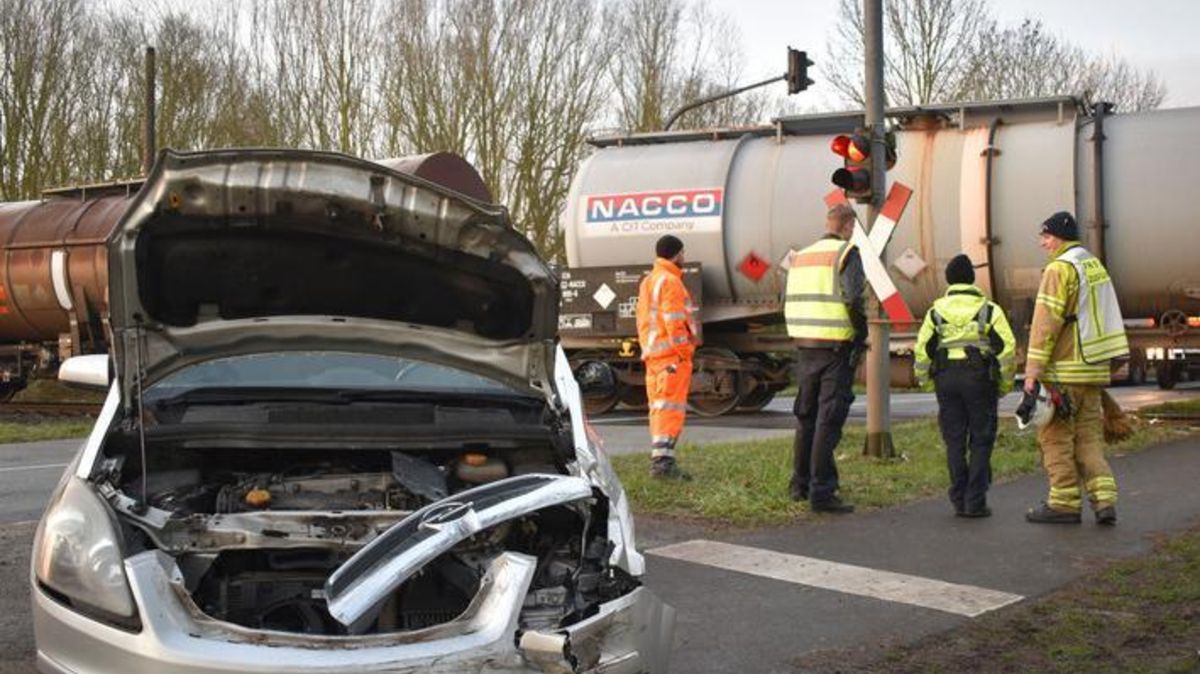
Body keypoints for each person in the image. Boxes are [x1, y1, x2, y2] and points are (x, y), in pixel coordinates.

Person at [1023, 211, 1128, 525]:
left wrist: (1032, 372)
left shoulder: (1060, 268)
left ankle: (1063, 503)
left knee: (1055, 439)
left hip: (1064, 374)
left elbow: (1046, 324)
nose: (1042, 243)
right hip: (1092, 373)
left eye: (1046, 237)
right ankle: (1105, 501)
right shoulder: (1093, 265)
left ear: (1059, 237)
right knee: (1089, 441)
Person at [914, 254, 1016, 518]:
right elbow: (1006, 349)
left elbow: (923, 351)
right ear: (972, 280)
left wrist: (927, 382)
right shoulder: (989, 310)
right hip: (980, 378)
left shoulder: (935, 311)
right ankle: (975, 501)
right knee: (981, 439)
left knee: (954, 440)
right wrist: (1004, 384)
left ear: (948, 280)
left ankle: (958, 499)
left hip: (946, 378)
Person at [783, 204, 866, 513]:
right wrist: (860, 332)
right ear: (848, 225)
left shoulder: (801, 257)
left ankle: (799, 485)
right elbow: (854, 298)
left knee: (806, 417)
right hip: (835, 347)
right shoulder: (846, 253)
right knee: (828, 419)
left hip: (805, 345)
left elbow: (785, 299)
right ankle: (822, 492)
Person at [636, 235, 699, 479]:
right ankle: (662, 465)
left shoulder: (649, 281)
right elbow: (674, 323)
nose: (684, 257)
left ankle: (661, 460)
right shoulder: (671, 281)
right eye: (683, 252)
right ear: (677, 253)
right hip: (671, 358)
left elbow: (643, 321)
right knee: (670, 409)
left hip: (654, 357)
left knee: (659, 408)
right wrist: (685, 352)